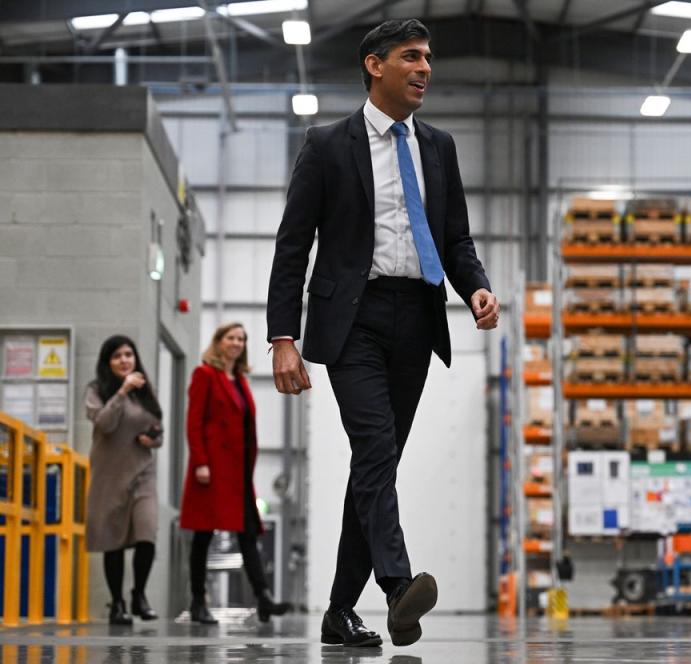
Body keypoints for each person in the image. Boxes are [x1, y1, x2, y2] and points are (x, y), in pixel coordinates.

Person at [267, 18, 499, 648]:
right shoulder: (327, 144)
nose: (425, 68)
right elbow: (293, 246)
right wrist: (282, 336)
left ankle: (339, 611)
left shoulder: (439, 146)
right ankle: (398, 587)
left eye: (428, 58)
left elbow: (454, 237)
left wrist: (474, 284)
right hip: (353, 321)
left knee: (377, 465)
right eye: (411, 57)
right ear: (375, 65)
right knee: (375, 451)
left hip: (417, 318)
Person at [179, 322, 291, 624]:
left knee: (248, 534)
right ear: (218, 342)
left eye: (241, 338)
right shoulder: (204, 375)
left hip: (238, 473)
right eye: (231, 337)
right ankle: (198, 601)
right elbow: (194, 422)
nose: (237, 343)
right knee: (203, 536)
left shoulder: (240, 380)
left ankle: (263, 597)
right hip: (211, 469)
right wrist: (200, 461)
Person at [85, 335, 163, 625]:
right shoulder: (96, 390)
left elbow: (158, 428)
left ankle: (138, 595)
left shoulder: (145, 391)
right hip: (109, 474)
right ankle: (117, 603)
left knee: (147, 533)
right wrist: (122, 392)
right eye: (117, 356)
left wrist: (152, 439)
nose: (124, 360)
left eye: (129, 354)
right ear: (108, 362)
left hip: (142, 472)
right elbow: (104, 423)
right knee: (112, 539)